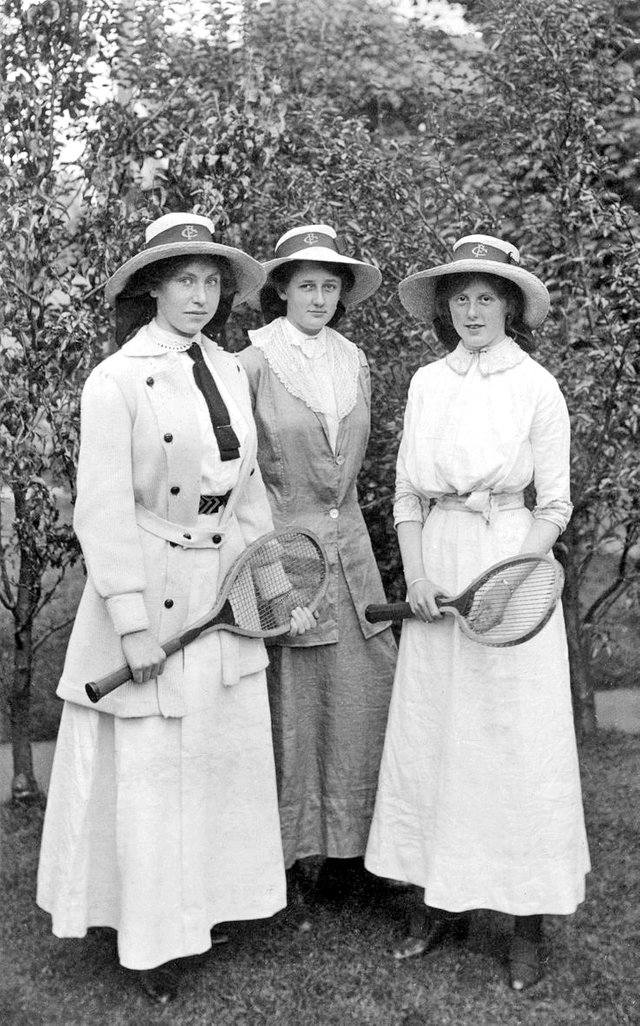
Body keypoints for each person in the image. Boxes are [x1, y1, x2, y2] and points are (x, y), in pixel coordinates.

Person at [36, 212, 315, 1004]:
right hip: (152, 591)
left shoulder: (230, 369)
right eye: (183, 280)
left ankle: (206, 909)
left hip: (220, 585)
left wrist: (270, 591)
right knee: (155, 773)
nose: (198, 295)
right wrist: (133, 624)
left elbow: (249, 496)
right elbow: (102, 512)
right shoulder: (116, 379)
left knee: (213, 764)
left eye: (210, 281)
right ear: (152, 286)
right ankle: (151, 938)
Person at [364, 235, 590, 991]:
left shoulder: (538, 388)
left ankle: (525, 919)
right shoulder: (428, 382)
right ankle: (439, 900)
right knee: (436, 737)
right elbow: (405, 496)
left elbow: (554, 504)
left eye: (486, 297)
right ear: (444, 307)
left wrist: (512, 579)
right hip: (442, 569)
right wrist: (420, 574)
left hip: (513, 569)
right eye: (459, 298)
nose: (471, 311)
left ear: (511, 306)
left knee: (512, 745)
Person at [238, 224, 396, 902]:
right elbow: (243, 480)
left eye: (331, 286)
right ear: (281, 289)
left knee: (362, 699)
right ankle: (289, 862)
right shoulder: (250, 362)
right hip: (287, 556)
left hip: (352, 554)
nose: (320, 296)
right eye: (307, 284)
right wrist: (272, 581)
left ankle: (356, 853)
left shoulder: (353, 360)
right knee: (293, 709)